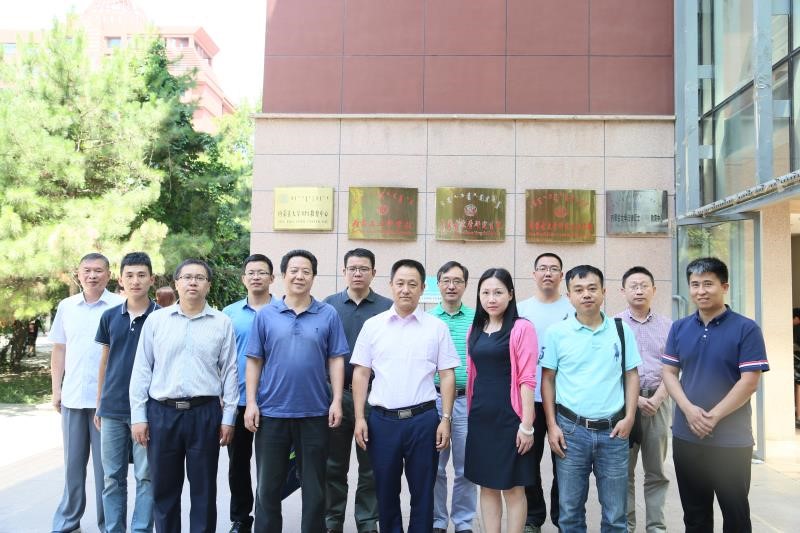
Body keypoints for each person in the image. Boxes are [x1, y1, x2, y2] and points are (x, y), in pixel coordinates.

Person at [129, 258, 239, 533]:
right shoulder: (156, 321)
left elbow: (230, 372)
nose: (193, 282)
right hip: (162, 413)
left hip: (205, 413)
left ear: (208, 285)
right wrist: (139, 417)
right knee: (164, 491)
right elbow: (142, 369)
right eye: (187, 277)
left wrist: (228, 418)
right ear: (176, 283)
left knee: (204, 490)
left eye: (199, 278)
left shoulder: (222, 322)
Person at [662, 257, 769, 532]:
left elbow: (749, 382)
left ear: (725, 287)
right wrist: (689, 411)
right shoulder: (679, 327)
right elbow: (669, 373)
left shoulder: (746, 328)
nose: (701, 291)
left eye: (708, 284)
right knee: (695, 516)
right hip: (687, 437)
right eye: (695, 284)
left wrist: (713, 417)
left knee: (735, 515)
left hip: (731, 440)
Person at [351, 259, 459, 533]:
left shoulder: (436, 327)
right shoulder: (373, 326)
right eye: (400, 283)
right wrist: (360, 418)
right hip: (382, 421)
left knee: (423, 490)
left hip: (423, 420)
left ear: (422, 288)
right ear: (390, 285)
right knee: (385, 489)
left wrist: (446, 419)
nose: (405, 289)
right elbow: (361, 373)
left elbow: (447, 375)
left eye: (412, 284)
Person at [245, 249, 348, 533]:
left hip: (315, 413)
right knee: (268, 487)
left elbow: (336, 359)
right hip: (272, 413)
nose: (299, 276)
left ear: (313, 277)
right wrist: (251, 402)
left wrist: (336, 400)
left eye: (306, 271)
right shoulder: (266, 315)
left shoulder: (328, 314)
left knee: (315, 487)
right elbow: (254, 360)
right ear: (283, 275)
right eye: (294, 270)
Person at [540, 264, 641, 532]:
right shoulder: (557, 333)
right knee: (570, 512)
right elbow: (547, 379)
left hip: (614, 431)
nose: (586, 294)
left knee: (616, 515)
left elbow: (632, 375)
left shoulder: (621, 330)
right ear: (569, 296)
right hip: (571, 431)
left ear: (603, 292)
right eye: (579, 289)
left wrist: (630, 417)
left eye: (592, 288)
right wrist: (552, 425)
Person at [50, 252, 124, 533]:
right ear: (78, 274)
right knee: (73, 467)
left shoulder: (119, 306)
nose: (92, 275)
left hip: (107, 402)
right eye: (87, 270)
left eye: (98, 270)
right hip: (73, 398)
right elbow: (59, 349)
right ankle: (68, 522)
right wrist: (56, 389)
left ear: (109, 275)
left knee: (107, 470)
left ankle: (109, 525)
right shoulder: (67, 306)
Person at [323, 248, 391, 533]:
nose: (358, 273)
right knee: (333, 464)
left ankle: (367, 522)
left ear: (374, 273)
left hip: (375, 397)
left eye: (364, 269)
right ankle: (332, 522)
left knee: (371, 465)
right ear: (344, 271)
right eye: (352, 268)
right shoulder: (329, 306)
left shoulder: (387, 307)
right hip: (337, 396)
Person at [464, 268, 537, 533]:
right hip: (481, 418)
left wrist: (526, 425)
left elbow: (527, 379)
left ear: (511, 295)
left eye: (498, 292)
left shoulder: (521, 328)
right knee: (487, 485)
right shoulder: (475, 329)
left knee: (513, 487)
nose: (491, 298)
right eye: (485, 293)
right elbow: (473, 374)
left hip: (510, 418)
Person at [95, 252, 158, 533]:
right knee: (112, 477)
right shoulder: (109, 316)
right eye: (129, 275)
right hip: (112, 409)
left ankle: (141, 529)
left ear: (152, 279)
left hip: (147, 410)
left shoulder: (162, 317)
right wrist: (99, 404)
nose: (135, 281)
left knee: (146, 477)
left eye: (141, 275)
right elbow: (104, 362)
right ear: (120, 280)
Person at [516, 252, 573, 533]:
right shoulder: (520, 309)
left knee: (565, 462)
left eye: (553, 269)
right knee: (528, 461)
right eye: (542, 268)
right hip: (529, 400)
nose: (547, 273)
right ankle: (533, 518)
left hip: (566, 399)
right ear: (534, 274)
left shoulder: (573, 308)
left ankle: (563, 519)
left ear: (562, 275)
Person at [614, 266, 672, 533]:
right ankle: (626, 526)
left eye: (644, 285)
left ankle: (656, 527)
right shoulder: (612, 324)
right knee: (623, 472)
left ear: (654, 290)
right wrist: (635, 399)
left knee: (656, 471)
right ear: (623, 290)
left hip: (658, 401)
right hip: (623, 404)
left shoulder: (668, 326)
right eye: (633, 286)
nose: (639, 290)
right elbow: (609, 368)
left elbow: (674, 368)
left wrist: (658, 398)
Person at [222, 254, 275, 533]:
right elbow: (221, 358)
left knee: (272, 467)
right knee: (238, 464)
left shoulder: (282, 310)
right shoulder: (229, 314)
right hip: (239, 400)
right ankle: (241, 518)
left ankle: (268, 516)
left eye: (262, 272)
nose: (256, 277)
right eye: (251, 272)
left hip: (274, 402)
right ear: (244, 279)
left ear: (272, 278)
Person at [430, 261, 477, 533]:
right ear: (438, 284)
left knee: (465, 468)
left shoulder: (477, 318)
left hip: (467, 402)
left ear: (465, 285)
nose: (451, 286)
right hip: (433, 401)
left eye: (457, 281)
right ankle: (438, 521)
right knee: (435, 468)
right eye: (446, 280)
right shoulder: (427, 319)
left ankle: (463, 522)